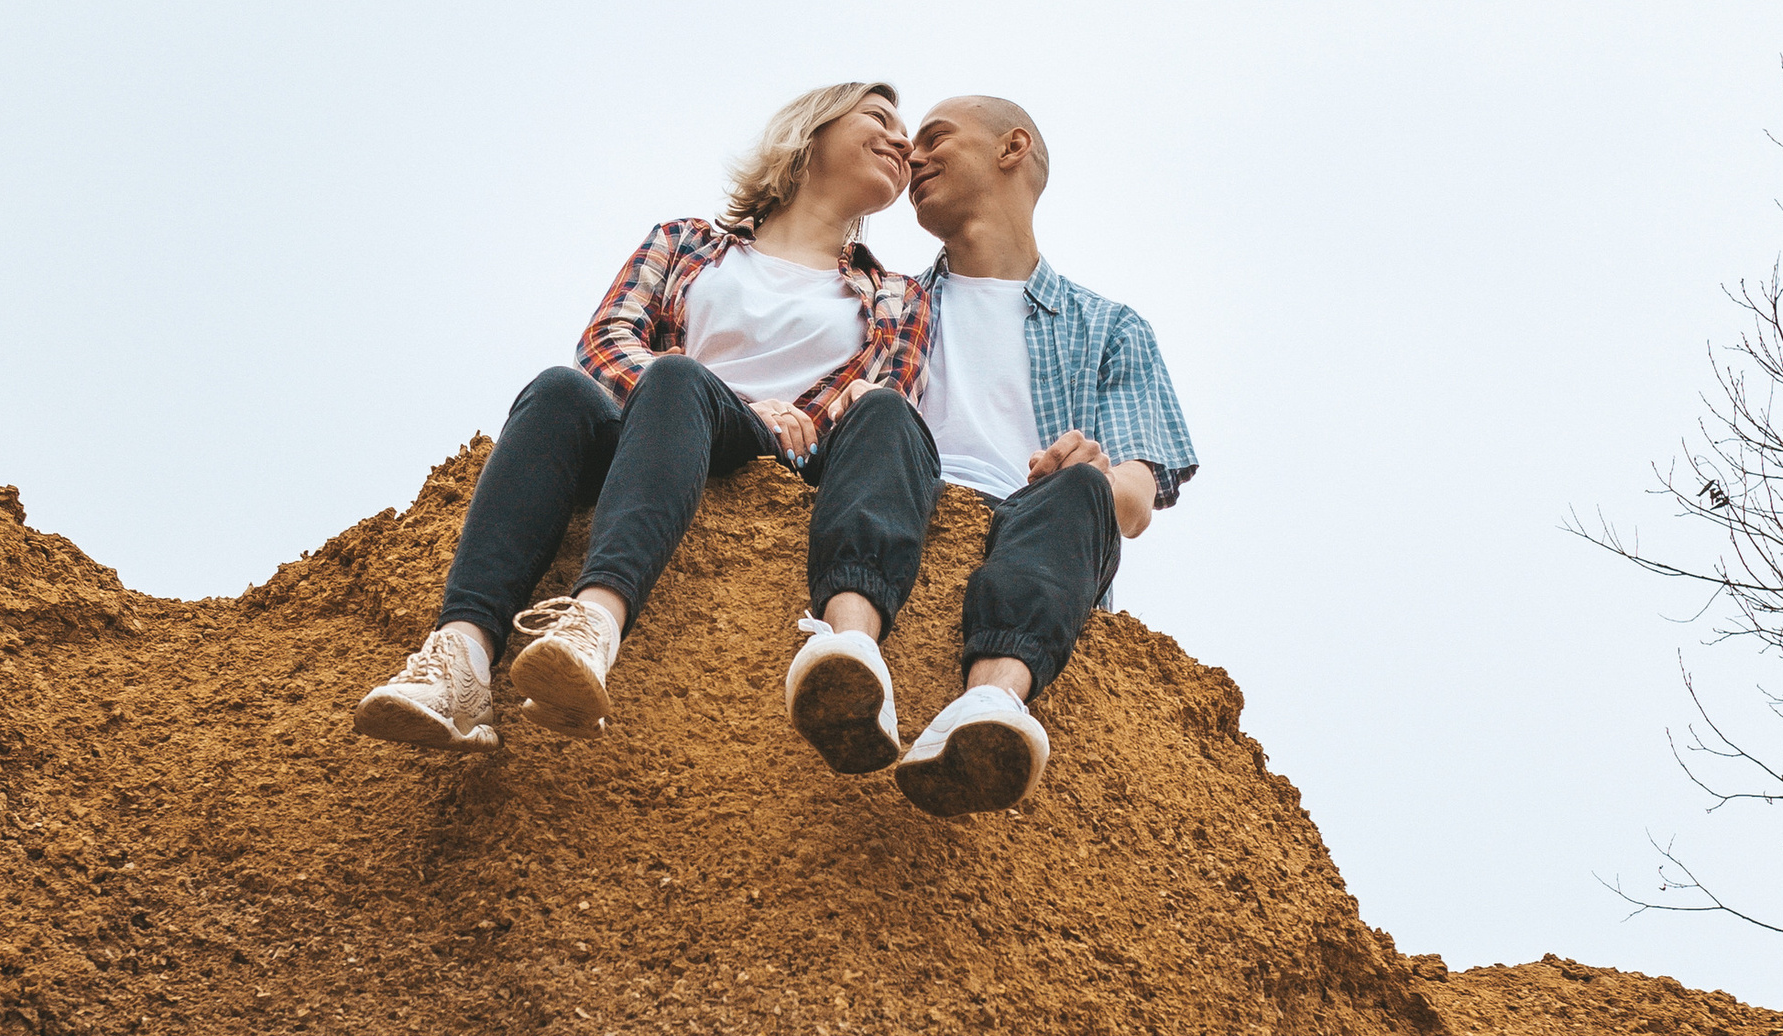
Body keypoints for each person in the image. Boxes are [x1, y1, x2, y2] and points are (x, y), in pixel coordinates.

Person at [350, 81, 936, 755]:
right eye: (881, 118)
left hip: (774, 455)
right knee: (559, 392)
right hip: (660, 426)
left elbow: (881, 403)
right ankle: (460, 659)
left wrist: (758, 419)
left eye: (908, 131)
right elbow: (605, 345)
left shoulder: (897, 295)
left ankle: (594, 624)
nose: (902, 140)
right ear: (812, 131)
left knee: (678, 373)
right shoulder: (685, 240)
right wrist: (720, 396)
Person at [781, 93, 1197, 819]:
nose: (914, 155)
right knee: (881, 409)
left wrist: (1093, 469)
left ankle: (990, 706)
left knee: (1080, 493)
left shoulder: (1109, 328)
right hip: (900, 494)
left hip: (1037, 529)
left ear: (1012, 148)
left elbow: (1136, 496)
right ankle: (850, 650)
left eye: (937, 138)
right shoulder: (884, 300)